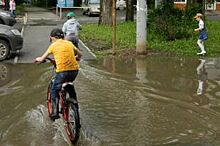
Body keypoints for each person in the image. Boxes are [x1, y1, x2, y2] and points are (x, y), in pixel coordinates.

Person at [35, 28, 82, 120]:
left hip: (62, 72)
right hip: (74, 71)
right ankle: (75, 105)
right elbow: (80, 54)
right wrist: (76, 58)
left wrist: (38, 59)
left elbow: (41, 58)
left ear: (52, 38)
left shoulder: (53, 46)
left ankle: (55, 111)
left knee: (54, 89)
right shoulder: (69, 43)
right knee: (69, 84)